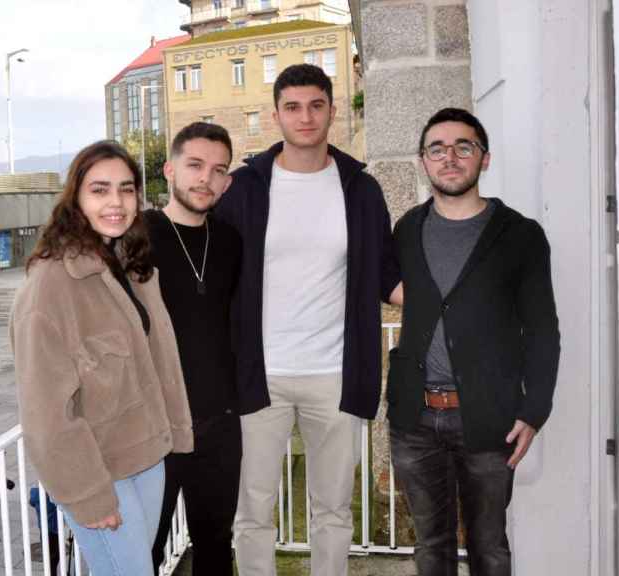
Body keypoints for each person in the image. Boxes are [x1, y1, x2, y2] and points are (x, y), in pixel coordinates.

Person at [215, 63, 402, 576]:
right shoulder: (243, 189)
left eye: (316, 105)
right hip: (258, 376)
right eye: (293, 107)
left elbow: (387, 273)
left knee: (334, 509)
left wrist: (455, 296)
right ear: (276, 115)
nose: (305, 117)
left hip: (334, 376)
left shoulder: (361, 190)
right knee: (252, 510)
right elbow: (212, 271)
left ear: (332, 111)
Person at [387, 107, 560, 576]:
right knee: (431, 546)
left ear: (484, 159)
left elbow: (543, 327)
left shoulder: (520, 236)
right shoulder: (407, 229)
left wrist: (534, 409)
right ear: (424, 161)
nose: (450, 157)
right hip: (415, 418)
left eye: (464, 147)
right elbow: (382, 279)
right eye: (437, 149)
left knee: (488, 547)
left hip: (488, 417)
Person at [11, 140, 194, 576]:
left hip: (149, 460)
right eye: (100, 190)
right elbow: (46, 413)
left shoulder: (131, 265)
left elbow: (161, 365)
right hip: (99, 471)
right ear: (75, 198)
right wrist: (88, 494)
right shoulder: (50, 287)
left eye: (126, 189)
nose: (116, 202)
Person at [145, 122, 242, 576]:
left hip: (219, 424)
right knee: (142, 551)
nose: (206, 178)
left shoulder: (230, 242)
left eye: (218, 170)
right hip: (154, 429)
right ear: (169, 169)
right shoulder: (135, 236)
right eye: (195, 165)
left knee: (216, 548)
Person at [29, 486, 61, 575]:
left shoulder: (35, 492)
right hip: (53, 530)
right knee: (54, 557)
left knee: (51, 555)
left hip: (43, 528)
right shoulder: (52, 497)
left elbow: (31, 502)